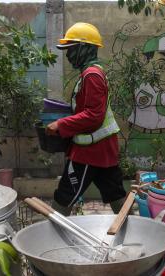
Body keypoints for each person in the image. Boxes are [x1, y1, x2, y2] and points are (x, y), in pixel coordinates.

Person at [45, 22, 127, 216]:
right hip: (102, 149)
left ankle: (52, 232)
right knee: (114, 193)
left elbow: (93, 115)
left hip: (90, 151)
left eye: (71, 49)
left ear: (83, 48)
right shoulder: (91, 73)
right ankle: (130, 229)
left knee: (65, 194)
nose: (68, 54)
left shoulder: (91, 75)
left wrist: (61, 124)